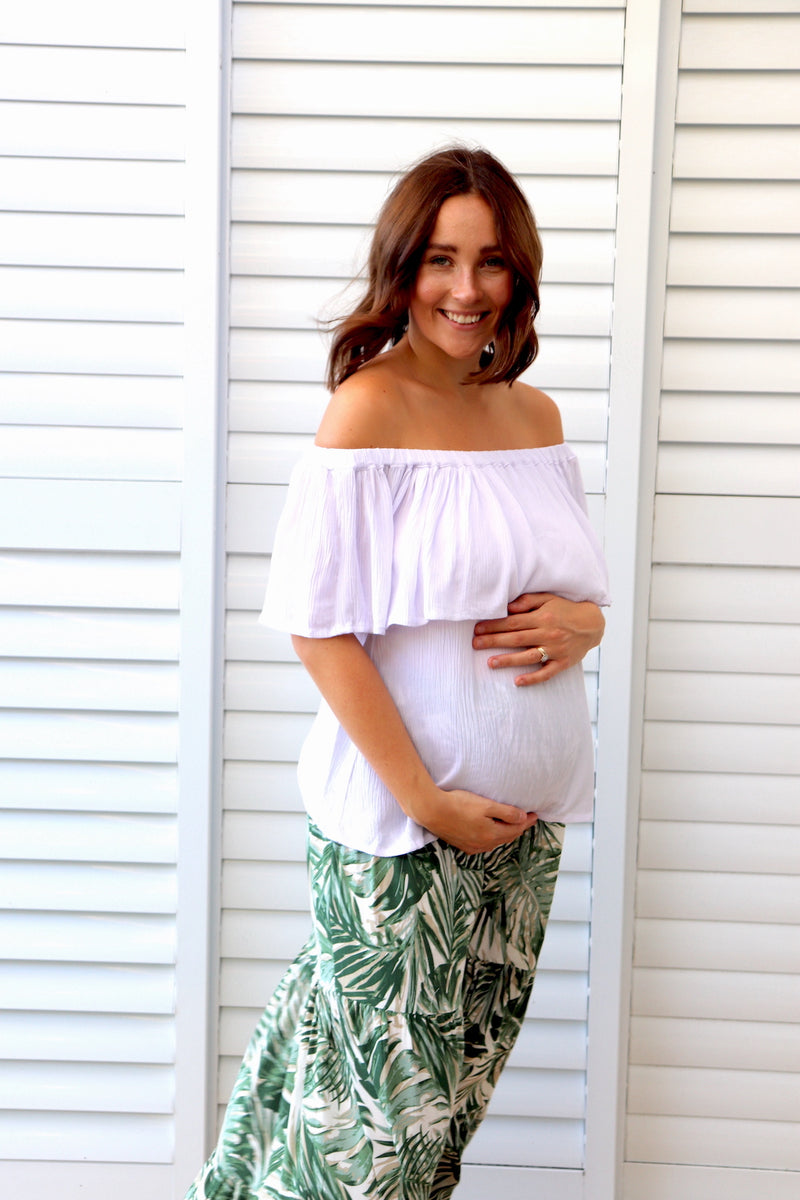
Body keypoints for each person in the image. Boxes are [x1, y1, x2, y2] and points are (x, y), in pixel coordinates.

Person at [186, 146, 609, 1200]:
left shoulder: (533, 417)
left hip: (522, 831)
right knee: (384, 1144)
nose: (465, 289)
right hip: (398, 832)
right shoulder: (367, 413)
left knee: (435, 1125)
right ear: (400, 269)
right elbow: (314, 626)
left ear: (520, 274)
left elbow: (564, 597)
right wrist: (422, 797)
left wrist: (584, 624)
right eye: (438, 259)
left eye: (492, 262)